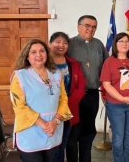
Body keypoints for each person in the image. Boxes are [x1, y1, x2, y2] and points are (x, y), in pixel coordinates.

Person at [10, 39, 72, 162]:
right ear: (27, 56)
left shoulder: (56, 74)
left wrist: (55, 121)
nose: (38, 55)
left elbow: (63, 99)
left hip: (53, 130)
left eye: (42, 51)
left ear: (47, 54)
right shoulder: (20, 76)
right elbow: (19, 107)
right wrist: (43, 124)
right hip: (30, 132)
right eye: (33, 52)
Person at [66, 15, 109, 162]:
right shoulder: (69, 45)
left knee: (89, 131)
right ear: (78, 27)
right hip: (73, 96)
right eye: (87, 26)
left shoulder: (98, 44)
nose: (90, 29)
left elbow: (107, 67)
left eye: (94, 27)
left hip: (92, 95)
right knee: (73, 132)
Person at [100, 32, 129, 162]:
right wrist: (122, 98)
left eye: (127, 41)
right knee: (118, 137)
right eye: (121, 41)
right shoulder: (109, 62)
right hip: (116, 105)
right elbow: (107, 85)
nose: (124, 44)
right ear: (115, 44)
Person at [49, 32, 86, 162]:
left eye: (65, 43)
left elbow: (81, 85)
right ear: (50, 44)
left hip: (68, 109)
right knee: (50, 146)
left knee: (62, 144)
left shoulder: (73, 63)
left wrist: (67, 104)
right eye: (58, 42)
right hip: (48, 111)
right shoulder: (42, 63)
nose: (61, 45)